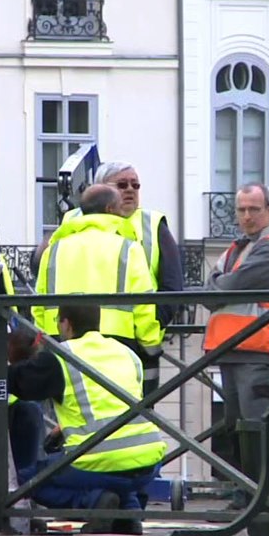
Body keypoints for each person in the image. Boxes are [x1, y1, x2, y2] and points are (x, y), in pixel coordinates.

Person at [8, 303, 166, 535]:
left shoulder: (61, 356)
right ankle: (129, 514)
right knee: (117, 473)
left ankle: (95, 501)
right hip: (149, 460)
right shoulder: (126, 352)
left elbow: (20, 383)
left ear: (66, 324)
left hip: (99, 459)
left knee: (28, 480)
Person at [203, 183, 269, 509]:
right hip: (231, 348)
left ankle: (262, 497)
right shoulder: (237, 247)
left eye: (254, 209)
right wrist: (219, 286)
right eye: (241, 209)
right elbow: (210, 289)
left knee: (256, 426)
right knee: (236, 426)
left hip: (257, 349)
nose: (247, 216)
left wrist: (218, 285)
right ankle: (247, 493)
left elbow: (230, 286)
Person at [59, 161, 184, 387]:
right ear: (99, 189)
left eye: (135, 185)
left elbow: (172, 285)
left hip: (132, 344)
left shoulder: (152, 223)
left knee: (139, 404)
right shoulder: (71, 221)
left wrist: (153, 328)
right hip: (75, 340)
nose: (130, 190)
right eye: (122, 184)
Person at [34, 185, 163, 396]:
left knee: (71, 407)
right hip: (117, 344)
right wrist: (151, 346)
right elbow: (144, 305)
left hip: (62, 342)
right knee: (115, 407)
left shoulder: (54, 249)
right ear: (110, 209)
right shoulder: (129, 248)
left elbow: (39, 305)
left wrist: (44, 343)